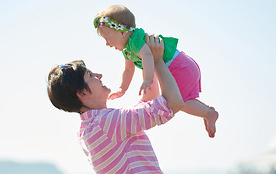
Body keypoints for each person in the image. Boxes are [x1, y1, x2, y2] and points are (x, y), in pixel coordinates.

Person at [47, 35, 189, 174]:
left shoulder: (91, 128)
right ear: (82, 93)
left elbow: (146, 106)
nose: (99, 75)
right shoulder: (106, 123)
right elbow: (172, 104)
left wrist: (145, 61)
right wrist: (157, 61)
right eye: (91, 76)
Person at [93, 5, 219, 138]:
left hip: (180, 68)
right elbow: (128, 69)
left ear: (122, 32)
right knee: (181, 100)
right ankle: (207, 113)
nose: (107, 43)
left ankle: (208, 113)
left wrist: (147, 79)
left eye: (107, 38)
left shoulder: (136, 41)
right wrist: (122, 88)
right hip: (181, 66)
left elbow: (148, 56)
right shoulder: (128, 48)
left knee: (175, 102)